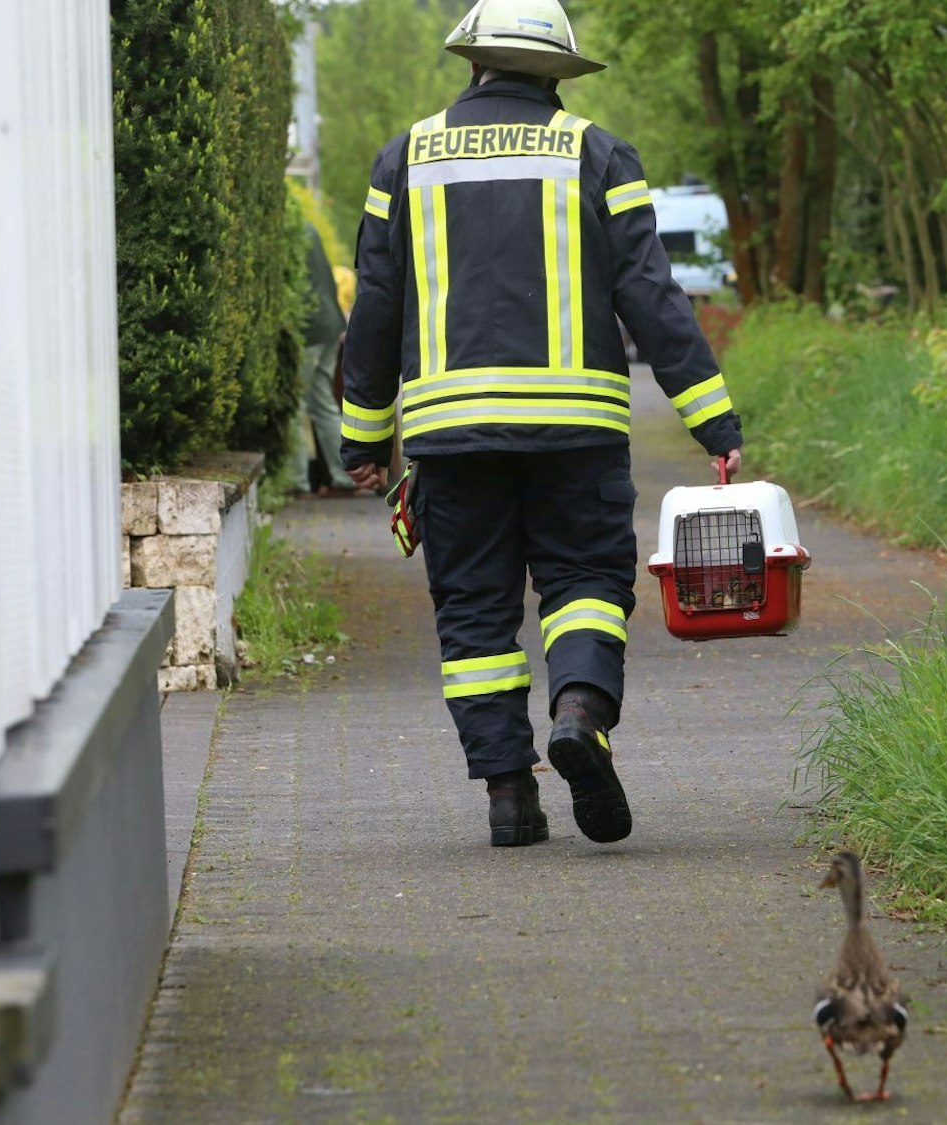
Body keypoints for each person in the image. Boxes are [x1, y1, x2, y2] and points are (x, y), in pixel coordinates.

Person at [338, 0, 744, 848]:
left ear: (473, 64)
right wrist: (712, 419)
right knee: (586, 582)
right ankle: (580, 714)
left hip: (451, 440)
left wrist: (366, 439)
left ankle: (508, 797)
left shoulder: (404, 158)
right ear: (557, 74)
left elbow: (375, 310)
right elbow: (652, 298)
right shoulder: (597, 152)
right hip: (579, 433)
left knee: (476, 615)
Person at [292, 221, 355, 496]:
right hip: (330, 325)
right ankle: (346, 476)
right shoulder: (308, 229)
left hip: (310, 329)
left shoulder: (286, 231)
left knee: (292, 404)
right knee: (322, 402)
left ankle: (295, 480)